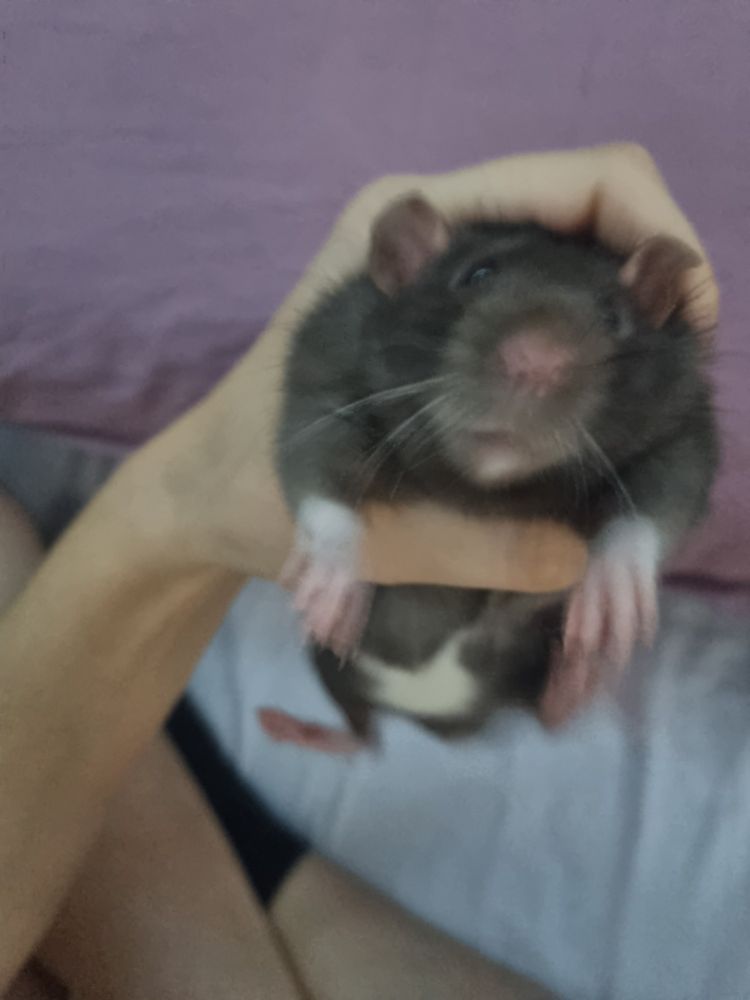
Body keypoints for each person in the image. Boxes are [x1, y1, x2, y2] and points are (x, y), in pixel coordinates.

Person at [0, 142, 718, 998]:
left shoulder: (655, 403)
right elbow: (320, 403)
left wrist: (632, 544)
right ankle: (277, 866)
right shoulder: (361, 351)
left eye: (608, 317)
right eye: (479, 278)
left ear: (654, 300)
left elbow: (680, 453)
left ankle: (276, 861)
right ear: (401, 261)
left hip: (491, 660)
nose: (535, 359)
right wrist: (325, 523)